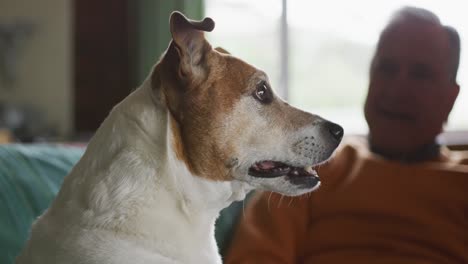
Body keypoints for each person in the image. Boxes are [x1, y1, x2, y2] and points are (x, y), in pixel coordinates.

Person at [225, 6, 468, 264]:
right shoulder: (309, 171)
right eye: (387, 68)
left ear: (451, 98)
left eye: (421, 74)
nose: (397, 89)